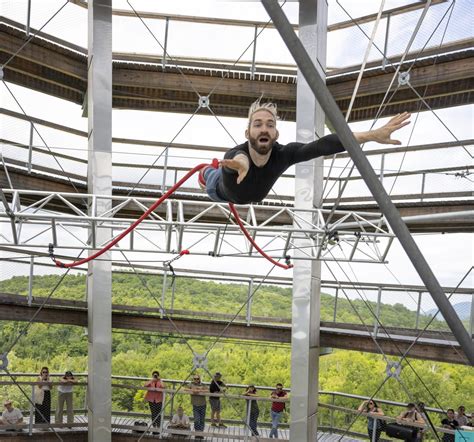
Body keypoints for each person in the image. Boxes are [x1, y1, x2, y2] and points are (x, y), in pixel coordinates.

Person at [199, 98, 411, 204]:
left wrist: (372, 135)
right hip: (217, 189)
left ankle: (209, 171)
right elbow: (240, 158)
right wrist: (241, 166)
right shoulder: (235, 156)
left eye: (270, 125)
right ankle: (206, 172)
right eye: (258, 124)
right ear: (247, 133)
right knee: (209, 173)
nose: (264, 128)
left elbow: (323, 145)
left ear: (276, 134)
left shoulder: (284, 154)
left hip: (248, 194)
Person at [186, 374, 207, 439]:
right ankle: (197, 432)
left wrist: (199, 390)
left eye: (197, 379)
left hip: (203, 404)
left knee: (202, 420)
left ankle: (200, 433)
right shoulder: (191, 384)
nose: (196, 380)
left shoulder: (202, 384)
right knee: (196, 419)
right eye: (195, 379)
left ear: (199, 379)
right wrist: (192, 390)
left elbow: (207, 390)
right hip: (195, 405)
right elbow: (185, 389)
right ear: (193, 379)